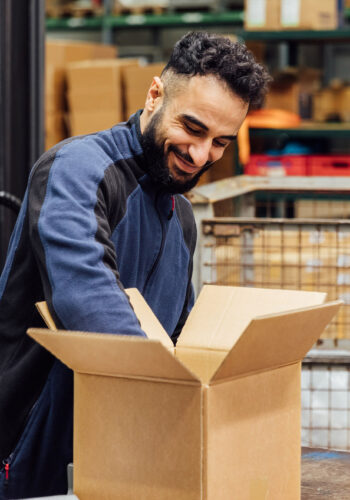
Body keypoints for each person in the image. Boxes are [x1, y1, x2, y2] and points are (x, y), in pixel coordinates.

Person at [0, 31, 270, 498]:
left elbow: (177, 331)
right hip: (29, 448)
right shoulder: (79, 168)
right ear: (154, 95)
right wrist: (174, 397)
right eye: (193, 128)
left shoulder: (181, 217)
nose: (201, 155)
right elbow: (88, 299)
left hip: (118, 454)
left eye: (221, 143)